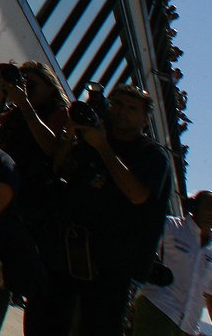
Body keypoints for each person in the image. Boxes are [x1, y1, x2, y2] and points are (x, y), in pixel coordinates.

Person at [24, 83, 171, 336]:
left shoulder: (152, 156)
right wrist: (69, 135)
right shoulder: (91, 138)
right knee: (42, 324)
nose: (122, 111)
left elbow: (138, 195)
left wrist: (103, 147)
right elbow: (58, 169)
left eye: (132, 108)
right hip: (64, 253)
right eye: (117, 104)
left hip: (110, 269)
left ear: (145, 120)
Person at [131, 190, 212, 336]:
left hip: (188, 327)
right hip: (157, 308)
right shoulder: (170, 226)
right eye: (210, 207)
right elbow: (140, 247)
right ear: (195, 207)